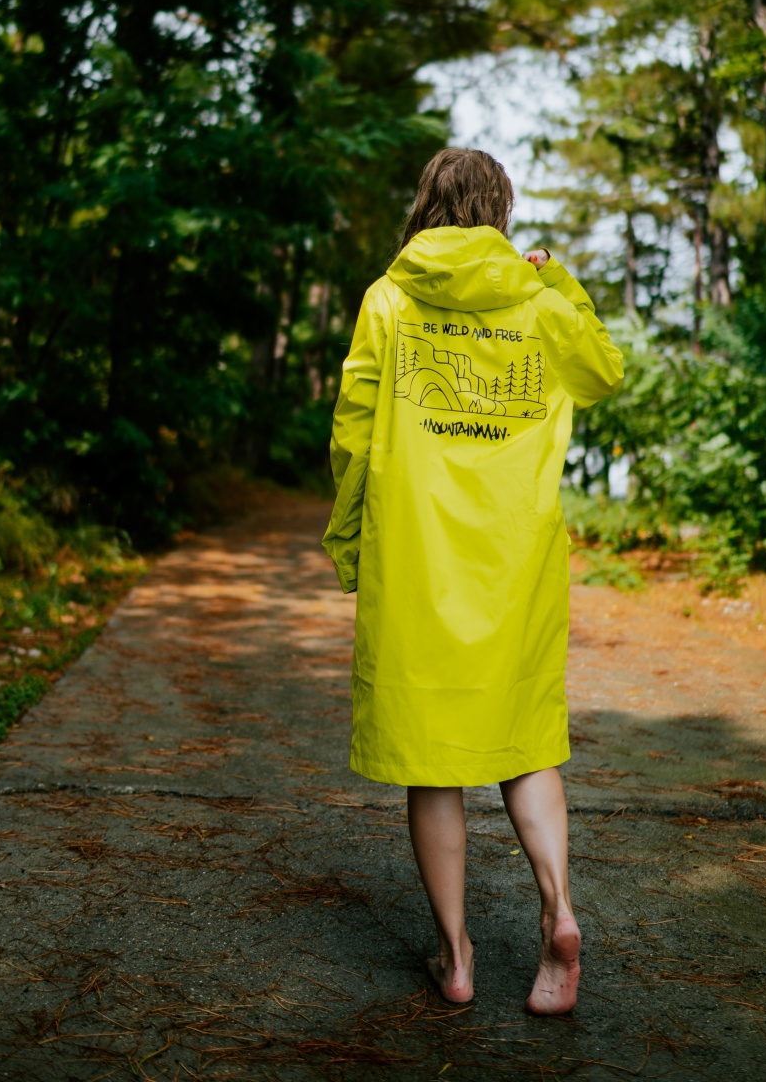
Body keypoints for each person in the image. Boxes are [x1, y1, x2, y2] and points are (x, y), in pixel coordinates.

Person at [322, 147, 623, 1013]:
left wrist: (348, 540)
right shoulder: (536, 298)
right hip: (514, 559)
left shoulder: (388, 298)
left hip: (416, 557)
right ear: (499, 209)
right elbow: (602, 372)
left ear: (426, 203)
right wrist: (556, 278)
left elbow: (352, 431)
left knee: (432, 758)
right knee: (523, 744)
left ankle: (456, 960)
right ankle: (557, 911)